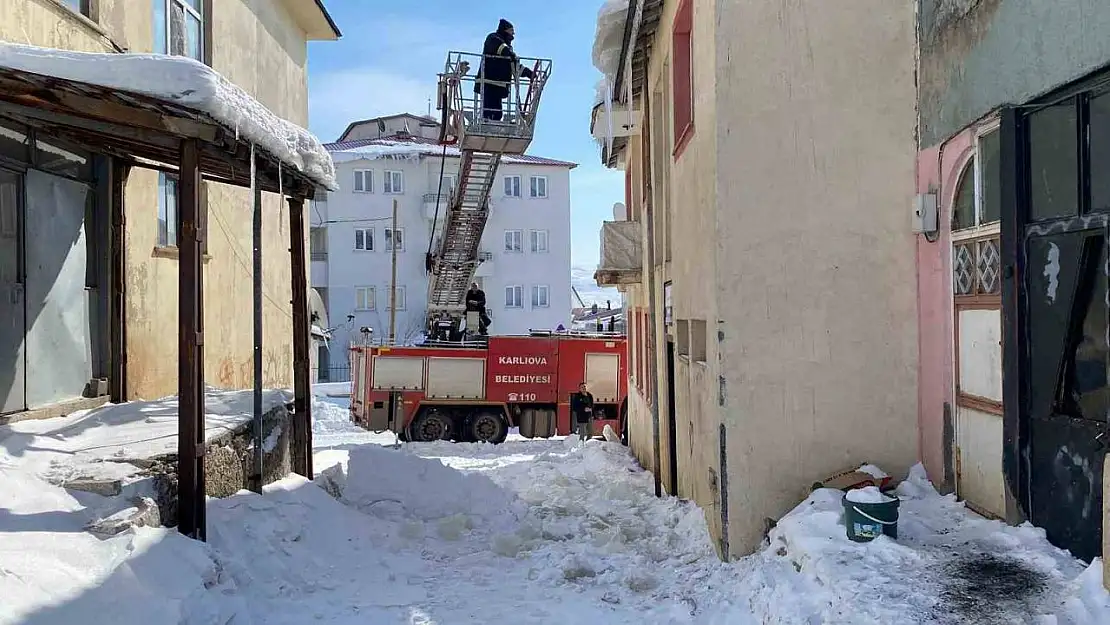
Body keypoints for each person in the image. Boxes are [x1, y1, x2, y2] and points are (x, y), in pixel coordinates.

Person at [476, 19, 534, 121]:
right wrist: (512, 55)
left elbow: (514, 66)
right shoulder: (493, 38)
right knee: (488, 112)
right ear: (505, 30)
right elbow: (502, 50)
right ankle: (487, 123)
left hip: (498, 84)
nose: (513, 35)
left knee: (497, 114)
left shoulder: (507, 48)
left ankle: (492, 123)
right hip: (488, 82)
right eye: (511, 32)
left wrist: (528, 73)